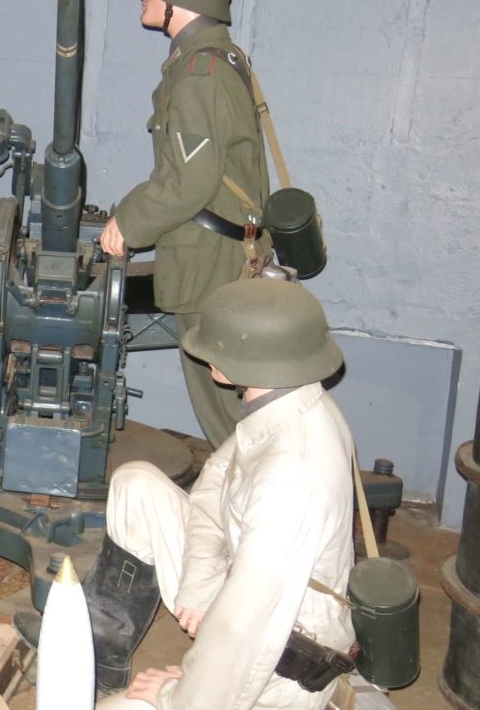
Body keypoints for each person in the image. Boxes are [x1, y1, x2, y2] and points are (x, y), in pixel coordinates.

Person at [24, 279, 356, 710]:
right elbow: (214, 486)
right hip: (245, 586)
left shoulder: (291, 477)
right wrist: (199, 587)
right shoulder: (285, 401)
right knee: (136, 484)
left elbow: (244, 629)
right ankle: (104, 648)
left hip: (277, 664)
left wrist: (172, 694)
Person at [99, 0, 271, 447]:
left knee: (227, 409)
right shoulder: (214, 61)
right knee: (235, 401)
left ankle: (260, 510)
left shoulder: (201, 75)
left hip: (211, 261)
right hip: (223, 251)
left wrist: (128, 221)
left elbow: (189, 180)